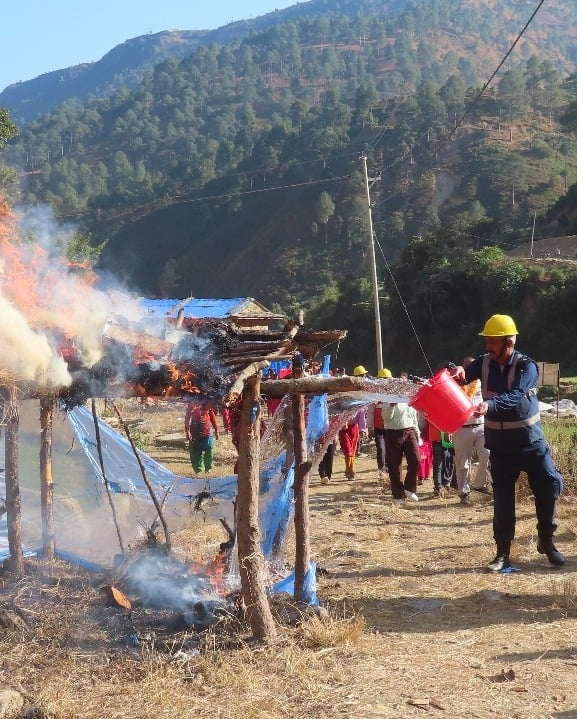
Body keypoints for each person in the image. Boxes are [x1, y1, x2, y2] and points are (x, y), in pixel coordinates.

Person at [453, 314, 564, 571]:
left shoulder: (528, 367)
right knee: (503, 500)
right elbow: (460, 377)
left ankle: (546, 541)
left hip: (531, 444)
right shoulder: (483, 363)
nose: (488, 347)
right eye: (488, 342)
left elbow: (515, 396)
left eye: (493, 342)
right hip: (501, 446)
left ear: (509, 342)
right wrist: (456, 370)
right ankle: (502, 553)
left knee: (549, 486)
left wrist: (489, 405)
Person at [451, 356, 491, 504]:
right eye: (469, 367)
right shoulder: (455, 384)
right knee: (463, 463)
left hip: (481, 425)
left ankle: (480, 484)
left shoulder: (482, 382)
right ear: (464, 367)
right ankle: (464, 493)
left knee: (487, 454)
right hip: (462, 427)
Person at [382, 400, 421, 503]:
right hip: (393, 433)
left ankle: (409, 488)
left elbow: (413, 417)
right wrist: (391, 405)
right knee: (394, 465)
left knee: (416, 459)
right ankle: (398, 495)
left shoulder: (409, 397)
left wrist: (418, 434)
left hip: (409, 431)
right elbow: (385, 417)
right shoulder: (389, 397)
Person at [366, 367, 392, 485]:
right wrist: (369, 427)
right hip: (378, 429)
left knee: (390, 450)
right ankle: (382, 472)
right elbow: (371, 412)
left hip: (390, 428)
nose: (384, 381)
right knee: (381, 449)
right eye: (382, 379)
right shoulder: (374, 396)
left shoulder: (393, 395)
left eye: (386, 379)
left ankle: (390, 471)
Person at [185, 400, 219, 474]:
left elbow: (213, 417)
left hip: (207, 432)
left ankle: (208, 469)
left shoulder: (207, 403)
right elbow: (187, 418)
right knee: (196, 453)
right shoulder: (192, 403)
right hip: (195, 433)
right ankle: (199, 471)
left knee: (209, 450)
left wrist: (216, 430)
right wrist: (187, 431)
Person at [338, 409, 367, 480]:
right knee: (348, 451)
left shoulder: (360, 407)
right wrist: (342, 422)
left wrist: (362, 430)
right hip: (344, 429)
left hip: (354, 430)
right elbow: (338, 415)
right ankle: (351, 472)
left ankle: (349, 469)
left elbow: (362, 419)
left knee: (352, 451)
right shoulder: (343, 406)